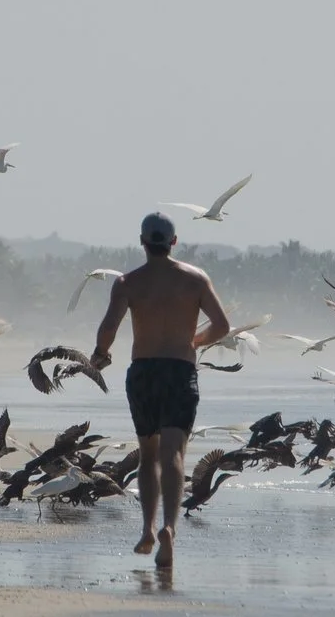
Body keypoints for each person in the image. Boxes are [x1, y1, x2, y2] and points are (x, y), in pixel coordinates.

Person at [90, 212, 230, 571]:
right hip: (179, 370)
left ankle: (148, 529)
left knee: (148, 454)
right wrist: (194, 341)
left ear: (142, 242)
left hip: (144, 372)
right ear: (174, 242)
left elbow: (108, 327)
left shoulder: (127, 282)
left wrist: (101, 355)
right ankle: (170, 527)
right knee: (174, 454)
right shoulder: (195, 279)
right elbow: (222, 325)